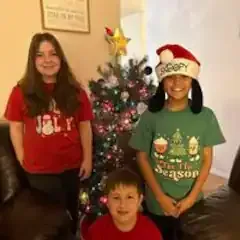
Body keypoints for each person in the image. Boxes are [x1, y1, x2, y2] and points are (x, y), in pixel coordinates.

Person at [129, 44, 226, 240]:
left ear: (192, 81)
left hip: (192, 203)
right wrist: (160, 197)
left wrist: (191, 197)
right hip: (158, 204)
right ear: (163, 81)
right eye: (171, 77)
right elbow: (142, 157)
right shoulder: (151, 117)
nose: (177, 82)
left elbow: (207, 159)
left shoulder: (206, 116)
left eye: (184, 76)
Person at [4, 32, 94, 234]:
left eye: (52, 54)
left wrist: (87, 158)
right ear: (32, 60)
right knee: (51, 223)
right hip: (40, 171)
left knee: (72, 215)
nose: (47, 60)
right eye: (40, 55)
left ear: (60, 57)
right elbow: (16, 127)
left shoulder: (76, 90)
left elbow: (85, 126)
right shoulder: (21, 91)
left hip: (73, 166)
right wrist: (22, 157)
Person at [87, 168, 162, 240]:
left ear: (139, 200)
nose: (122, 205)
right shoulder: (97, 229)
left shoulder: (151, 233)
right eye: (116, 198)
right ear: (107, 201)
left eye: (129, 197)